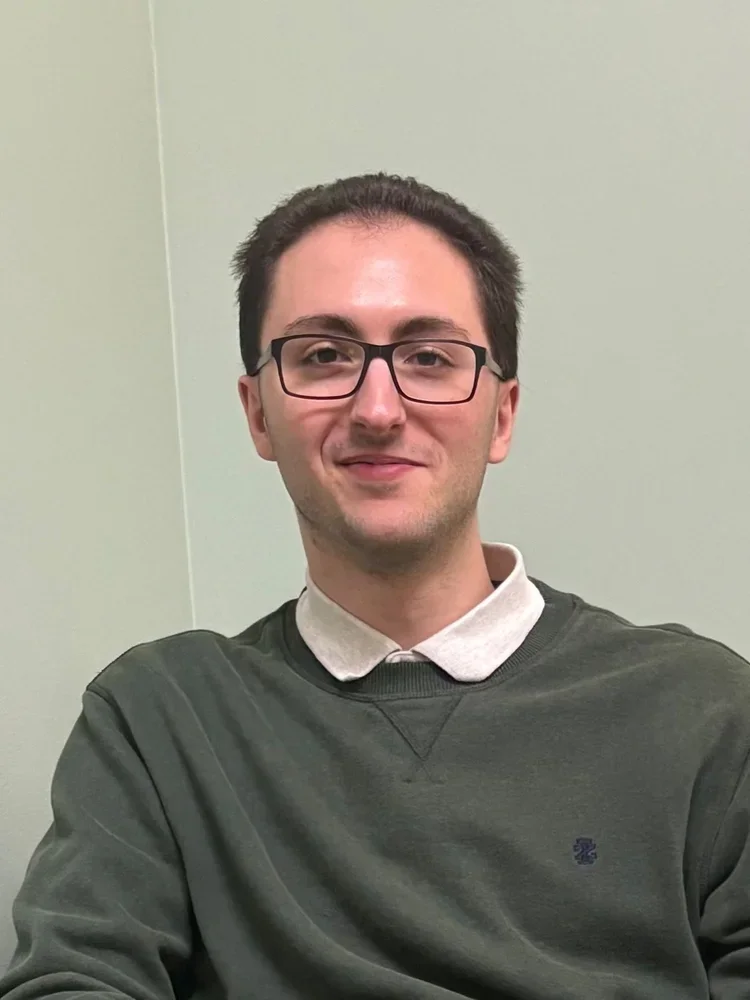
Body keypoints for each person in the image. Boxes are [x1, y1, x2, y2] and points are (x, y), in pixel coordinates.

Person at [2, 173, 749, 1000]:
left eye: (430, 358)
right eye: (323, 356)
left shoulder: (704, 711)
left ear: (501, 414)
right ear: (257, 413)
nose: (378, 408)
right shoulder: (157, 718)